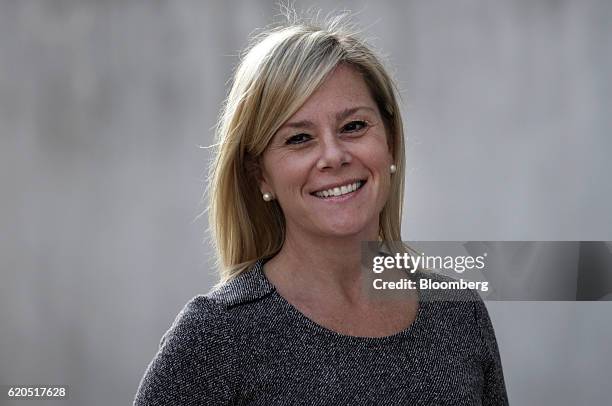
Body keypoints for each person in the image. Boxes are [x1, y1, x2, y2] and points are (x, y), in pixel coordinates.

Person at [134, 12, 509, 405]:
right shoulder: (214, 340)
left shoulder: (459, 315)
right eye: (299, 138)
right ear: (259, 175)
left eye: (353, 127)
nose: (333, 156)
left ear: (391, 143)